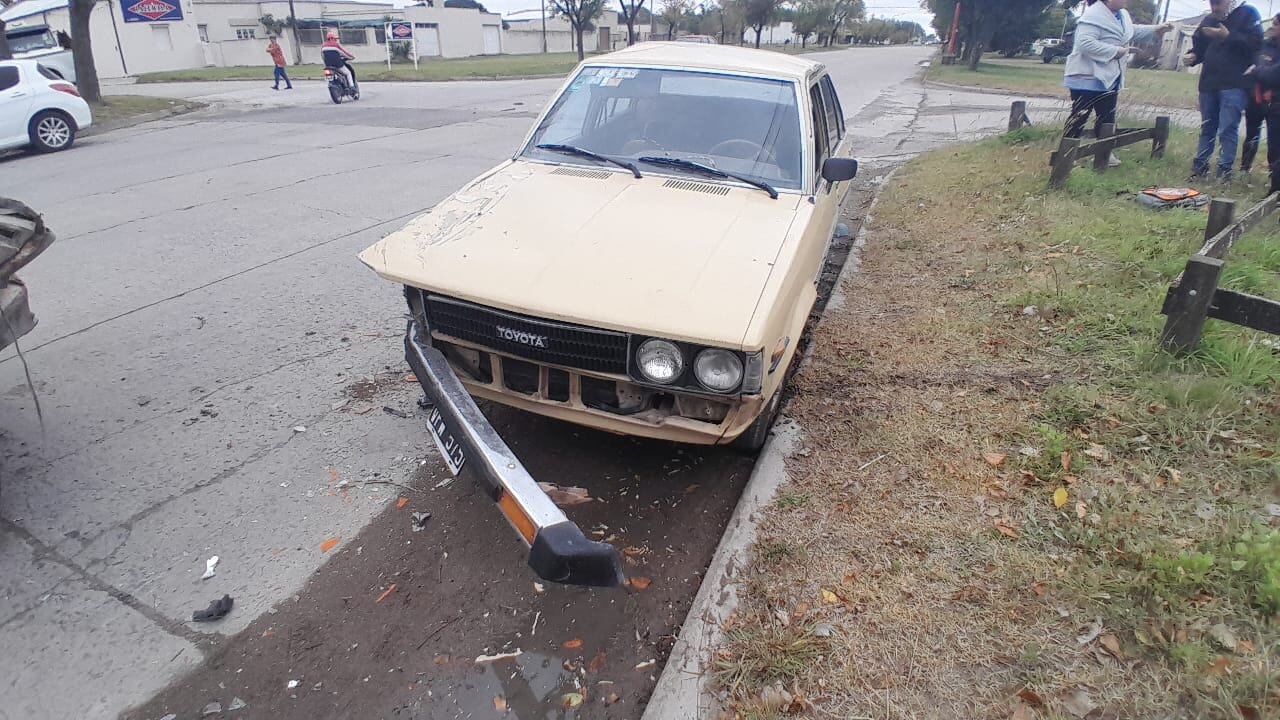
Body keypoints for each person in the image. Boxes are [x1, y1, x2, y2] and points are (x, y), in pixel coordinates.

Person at [1062, 0, 1172, 167]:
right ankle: (1067, 156)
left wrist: (1156, 30)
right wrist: (1116, 51)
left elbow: (1130, 32)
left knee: (1107, 119)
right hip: (1086, 76)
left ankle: (1104, 154)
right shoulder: (1093, 14)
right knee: (1079, 117)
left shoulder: (1122, 15)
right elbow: (1085, 43)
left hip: (1110, 77)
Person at [1185, 0, 1263, 180]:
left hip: (1234, 84)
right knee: (1207, 127)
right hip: (1208, 82)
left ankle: (1224, 171)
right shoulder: (1209, 19)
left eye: (1219, 3)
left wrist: (1228, 36)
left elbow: (1256, 44)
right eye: (1212, 3)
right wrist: (1193, 56)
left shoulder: (1249, 14)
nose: (1215, 7)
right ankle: (1200, 168)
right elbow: (1200, 46)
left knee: (1228, 128)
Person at [1243, 14, 1280, 191]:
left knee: (1276, 146)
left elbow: (1273, 74)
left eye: (1275, 24)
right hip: (1257, 97)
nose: (1272, 26)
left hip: (1275, 101)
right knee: (1252, 135)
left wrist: (1258, 71)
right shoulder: (1264, 45)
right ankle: (1245, 168)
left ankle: (1275, 185)